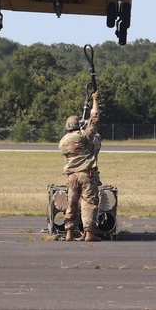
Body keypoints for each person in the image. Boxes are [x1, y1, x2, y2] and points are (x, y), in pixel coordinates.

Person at [58, 90, 101, 242]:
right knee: (89, 202)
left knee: (71, 203)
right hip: (86, 174)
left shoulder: (62, 141)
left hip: (71, 176)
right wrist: (95, 101)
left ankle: (69, 232)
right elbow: (94, 119)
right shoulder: (83, 136)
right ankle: (89, 233)